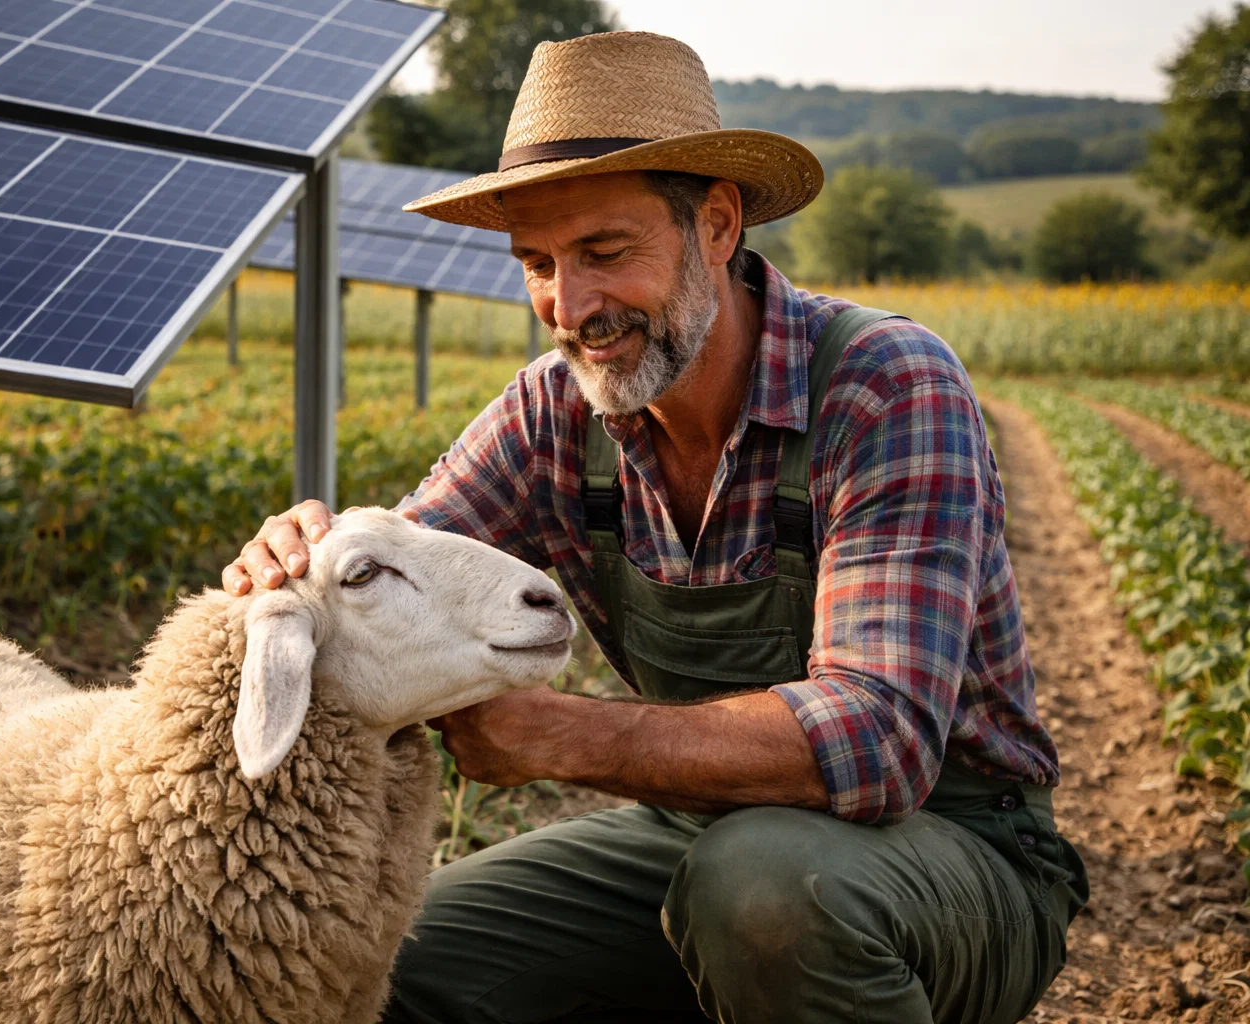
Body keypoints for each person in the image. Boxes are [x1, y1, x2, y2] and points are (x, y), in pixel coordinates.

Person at [223, 30, 1086, 1024]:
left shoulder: (882, 383)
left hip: (955, 849)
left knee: (762, 891)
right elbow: (386, 582)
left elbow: (881, 739)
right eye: (538, 262)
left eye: (603, 251)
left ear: (716, 226)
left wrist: (562, 734)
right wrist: (304, 565)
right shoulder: (552, 410)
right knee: (404, 956)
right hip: (694, 832)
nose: (569, 305)